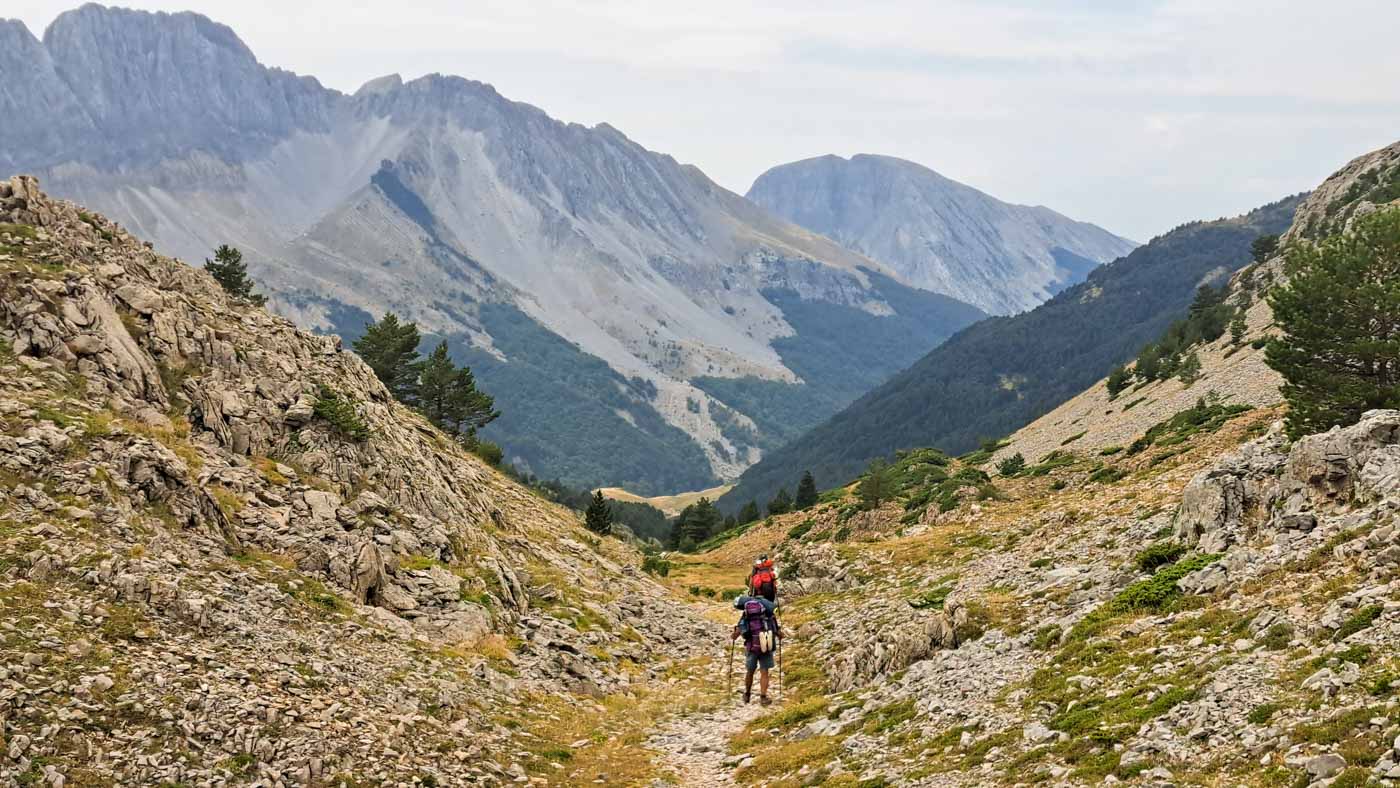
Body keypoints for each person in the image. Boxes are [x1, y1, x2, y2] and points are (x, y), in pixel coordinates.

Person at [731, 594, 780, 705]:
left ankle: (747, 694)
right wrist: (780, 635)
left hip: (751, 645)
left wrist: (734, 635)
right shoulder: (769, 613)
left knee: (750, 671)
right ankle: (763, 697)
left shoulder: (746, 613)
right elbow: (776, 629)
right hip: (766, 645)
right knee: (764, 671)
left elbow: (741, 627)